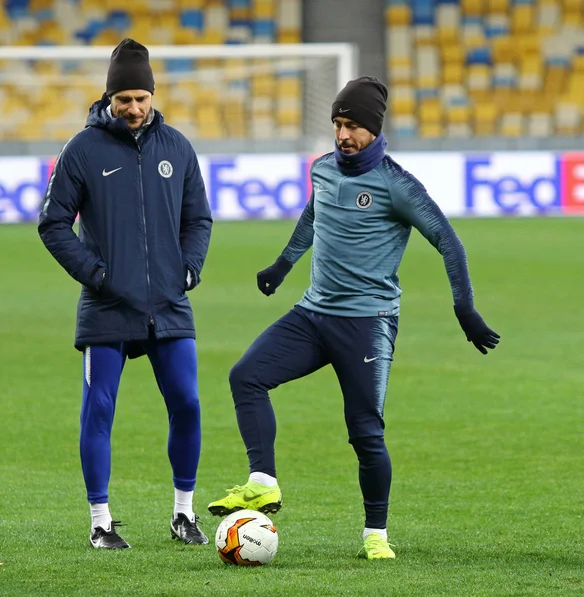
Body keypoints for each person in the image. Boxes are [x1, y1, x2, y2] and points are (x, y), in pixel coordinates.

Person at [207, 76, 500, 559]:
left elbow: (449, 241)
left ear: (374, 129)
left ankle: (375, 534)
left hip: (367, 323)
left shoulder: (396, 184)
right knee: (247, 376)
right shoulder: (323, 169)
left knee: (364, 432)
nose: (343, 135)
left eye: (353, 126)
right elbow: (313, 215)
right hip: (312, 314)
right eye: (338, 124)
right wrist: (283, 264)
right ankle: (262, 482)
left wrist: (464, 308)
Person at [38, 39, 213, 550]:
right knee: (100, 409)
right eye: (124, 100)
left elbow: (197, 217)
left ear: (152, 95)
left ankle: (184, 514)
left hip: (168, 304)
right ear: (108, 98)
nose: (133, 109)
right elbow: (53, 225)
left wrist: (189, 267)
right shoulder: (82, 149)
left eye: (141, 98)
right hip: (107, 305)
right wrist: (95, 273)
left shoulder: (177, 147)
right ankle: (100, 521)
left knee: (188, 403)